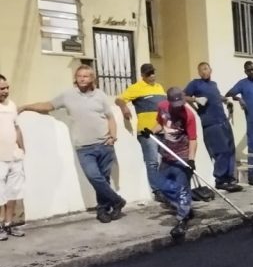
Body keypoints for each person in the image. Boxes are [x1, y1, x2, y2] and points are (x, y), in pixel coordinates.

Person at [20, 65, 125, 223]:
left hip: (104, 144)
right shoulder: (68, 95)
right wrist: (26, 106)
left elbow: (110, 117)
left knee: (103, 178)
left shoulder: (100, 95)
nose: (82, 79)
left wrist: (113, 137)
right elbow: (48, 105)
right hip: (84, 147)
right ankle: (117, 200)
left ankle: (104, 209)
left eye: (86, 76)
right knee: (94, 177)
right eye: (79, 76)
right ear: (75, 78)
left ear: (92, 79)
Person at [143, 86, 198, 240]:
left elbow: (193, 138)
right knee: (161, 185)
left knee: (182, 189)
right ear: (168, 101)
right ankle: (184, 208)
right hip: (168, 153)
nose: (178, 107)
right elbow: (161, 124)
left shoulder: (189, 115)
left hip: (183, 155)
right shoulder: (162, 107)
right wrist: (151, 131)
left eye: (181, 103)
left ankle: (182, 219)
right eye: (175, 104)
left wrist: (191, 159)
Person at [184, 62, 242, 193]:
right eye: (201, 70)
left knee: (230, 149)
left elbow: (215, 97)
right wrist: (196, 102)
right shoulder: (195, 84)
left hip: (223, 120)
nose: (204, 72)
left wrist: (225, 100)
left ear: (211, 70)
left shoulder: (213, 84)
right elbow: (183, 96)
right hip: (211, 123)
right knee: (220, 151)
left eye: (206, 69)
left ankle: (230, 179)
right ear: (199, 73)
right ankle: (220, 180)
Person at [116, 63, 166, 198]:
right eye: (148, 74)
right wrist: (124, 108)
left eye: (153, 73)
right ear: (142, 75)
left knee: (168, 159)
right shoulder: (136, 88)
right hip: (147, 132)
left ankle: (167, 187)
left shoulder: (159, 87)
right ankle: (157, 191)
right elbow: (119, 100)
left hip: (162, 129)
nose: (152, 76)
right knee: (152, 161)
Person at [0, 74, 26, 238]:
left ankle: (10, 224)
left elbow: (16, 128)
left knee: (14, 191)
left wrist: (22, 148)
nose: (5, 91)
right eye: (1, 88)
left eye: (7, 87)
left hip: (14, 156)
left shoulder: (11, 105)